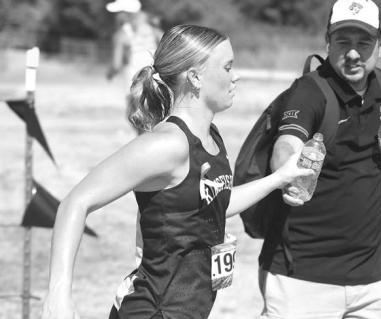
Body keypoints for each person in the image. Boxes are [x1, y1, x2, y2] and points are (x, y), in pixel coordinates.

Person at [40, 25, 313, 319]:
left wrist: (278, 178)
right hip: (152, 311)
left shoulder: (211, 137)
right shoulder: (167, 145)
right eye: (227, 67)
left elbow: (216, 203)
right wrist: (58, 296)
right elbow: (75, 203)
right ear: (195, 77)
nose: (236, 76)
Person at [258, 1, 381, 318]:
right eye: (343, 41)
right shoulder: (309, 92)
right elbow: (287, 144)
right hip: (302, 277)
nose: (353, 53)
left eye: (364, 42)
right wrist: (287, 170)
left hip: (374, 278)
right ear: (327, 42)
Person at [105, 0, 163, 131]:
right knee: (157, 127)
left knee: (140, 127)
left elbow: (116, 65)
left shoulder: (121, 35)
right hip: (157, 84)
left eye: (119, 12)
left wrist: (110, 74)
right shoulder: (155, 31)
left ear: (125, 14)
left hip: (135, 86)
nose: (117, 16)